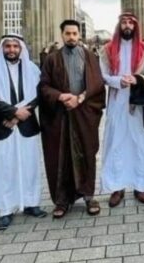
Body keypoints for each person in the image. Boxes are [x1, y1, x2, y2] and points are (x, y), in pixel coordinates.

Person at [39, 20, 105, 218]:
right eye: (68, 34)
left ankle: (88, 196)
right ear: (62, 35)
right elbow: (43, 86)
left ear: (79, 35)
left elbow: (97, 84)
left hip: (84, 114)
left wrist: (80, 98)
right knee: (60, 157)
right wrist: (61, 97)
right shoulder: (52, 59)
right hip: (60, 115)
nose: (71, 37)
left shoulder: (90, 57)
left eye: (75, 33)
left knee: (86, 153)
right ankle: (62, 200)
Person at [0, 34, 46, 230]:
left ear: (21, 49)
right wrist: (12, 112)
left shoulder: (32, 69)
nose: (11, 50)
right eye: (7, 46)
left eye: (15, 46)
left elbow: (38, 95)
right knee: (4, 168)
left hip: (25, 125)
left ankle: (30, 203)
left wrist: (18, 116)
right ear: (2, 48)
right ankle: (6, 210)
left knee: (29, 166)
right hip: (2, 126)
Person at [99, 12, 144, 207]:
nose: (127, 25)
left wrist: (137, 79)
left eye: (131, 22)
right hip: (117, 102)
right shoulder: (107, 50)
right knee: (116, 144)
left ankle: (141, 186)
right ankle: (117, 187)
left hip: (138, 104)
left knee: (140, 143)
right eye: (124, 22)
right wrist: (118, 81)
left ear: (135, 26)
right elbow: (102, 75)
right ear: (119, 25)